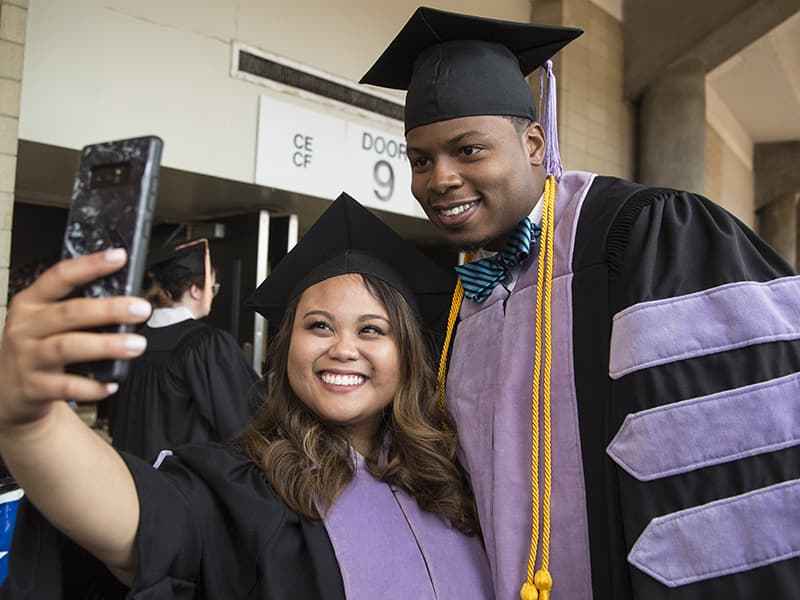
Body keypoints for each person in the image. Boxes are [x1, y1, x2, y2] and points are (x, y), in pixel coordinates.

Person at [360, 6, 800, 600]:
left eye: (468, 150)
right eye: (421, 159)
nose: (439, 179)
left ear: (534, 142)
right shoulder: (468, 295)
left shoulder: (644, 238)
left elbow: (736, 466)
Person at [0, 193, 492, 599]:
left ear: (406, 354)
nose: (343, 348)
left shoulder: (460, 475)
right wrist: (32, 425)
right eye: (319, 325)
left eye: (372, 330)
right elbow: (140, 520)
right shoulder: (244, 491)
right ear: (286, 349)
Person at [107, 238, 258, 462]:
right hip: (182, 486)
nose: (212, 296)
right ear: (195, 290)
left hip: (130, 477)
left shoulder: (132, 341)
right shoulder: (207, 344)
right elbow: (243, 423)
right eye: (213, 288)